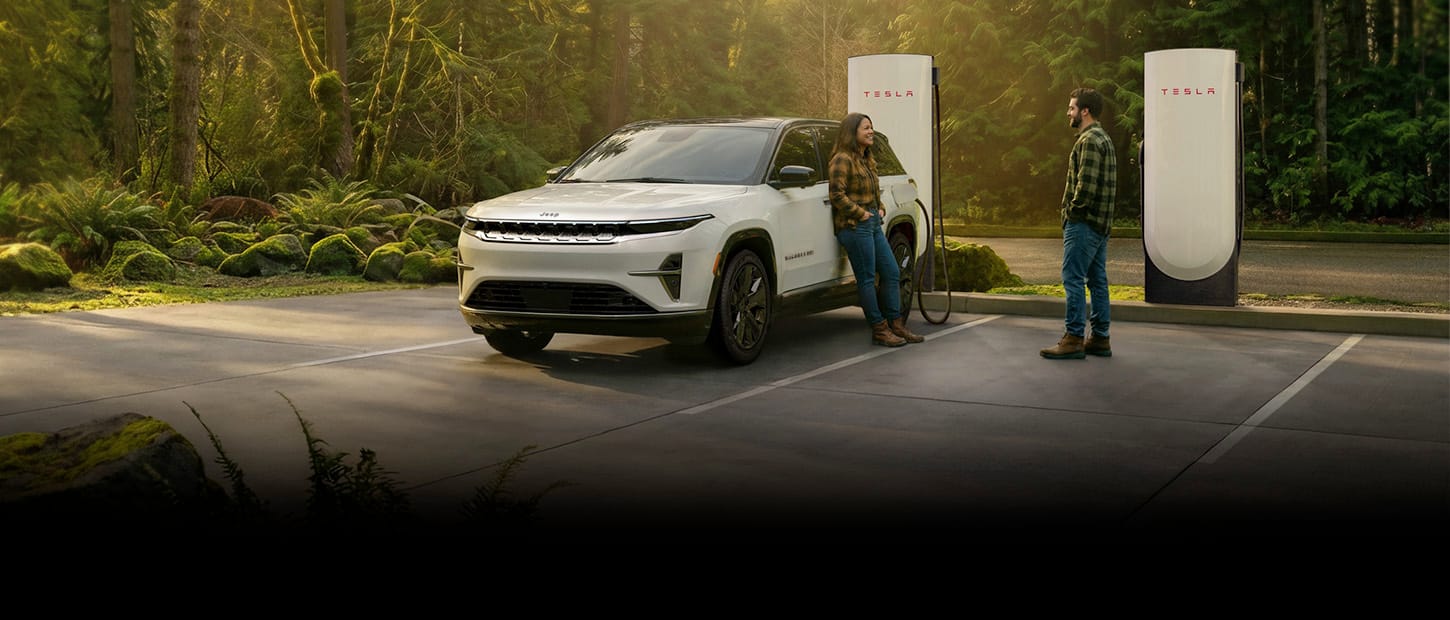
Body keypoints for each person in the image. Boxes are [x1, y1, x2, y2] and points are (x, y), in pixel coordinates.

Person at [828, 112, 923, 347]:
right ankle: (879, 330)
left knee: (891, 272)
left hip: (872, 224)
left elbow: (873, 192)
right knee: (867, 278)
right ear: (852, 133)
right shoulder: (842, 159)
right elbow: (836, 195)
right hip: (854, 226)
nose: (871, 132)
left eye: (871, 127)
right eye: (866, 128)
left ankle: (896, 325)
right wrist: (861, 213)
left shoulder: (866, 159)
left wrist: (879, 207)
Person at [1042, 87, 1118, 359]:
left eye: (1072, 108)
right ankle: (1100, 338)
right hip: (1100, 223)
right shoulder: (1104, 138)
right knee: (1097, 281)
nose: (1068, 112)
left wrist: (1071, 213)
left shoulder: (1088, 141)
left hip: (1084, 223)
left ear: (1084, 111)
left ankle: (1073, 338)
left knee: (1072, 278)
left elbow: (1085, 187)